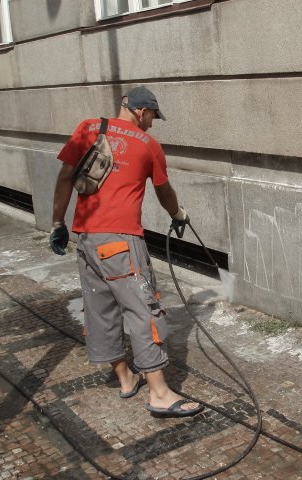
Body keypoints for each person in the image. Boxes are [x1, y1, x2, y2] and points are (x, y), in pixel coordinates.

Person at [49, 86, 203, 417]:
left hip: (87, 239)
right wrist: (178, 214)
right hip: (121, 241)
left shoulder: (89, 128)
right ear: (141, 111)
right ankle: (160, 394)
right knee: (143, 310)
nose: (152, 124)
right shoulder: (148, 145)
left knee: (100, 309)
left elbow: (64, 177)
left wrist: (57, 223)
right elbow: (164, 191)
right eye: (152, 117)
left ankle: (125, 379)